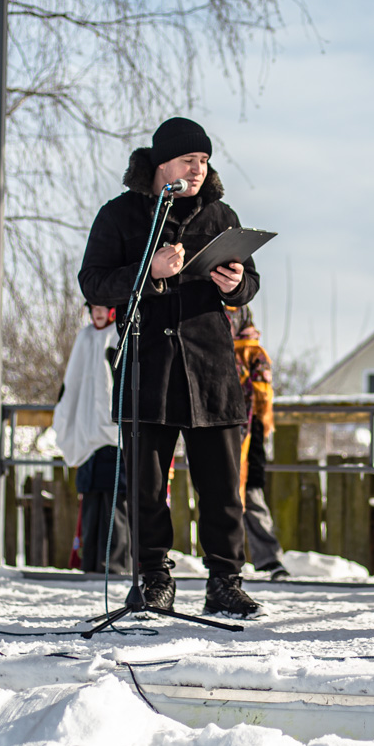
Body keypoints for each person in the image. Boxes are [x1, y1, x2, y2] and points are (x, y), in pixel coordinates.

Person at [78, 117, 263, 617]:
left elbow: (250, 284)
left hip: (210, 369)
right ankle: (152, 577)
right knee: (145, 487)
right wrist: (149, 269)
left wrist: (236, 284)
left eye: (204, 161)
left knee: (223, 486)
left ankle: (225, 580)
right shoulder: (120, 215)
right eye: (189, 160)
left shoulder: (220, 214)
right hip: (148, 368)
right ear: (162, 165)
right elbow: (92, 282)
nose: (199, 169)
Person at [52, 302, 131, 574]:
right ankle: (91, 565)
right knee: (91, 505)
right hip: (88, 438)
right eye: (93, 307)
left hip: (115, 438)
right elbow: (72, 383)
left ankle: (115, 565)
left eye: (103, 307)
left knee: (115, 507)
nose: (98, 313)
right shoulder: (84, 337)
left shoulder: (121, 333)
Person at [228, 306, 288, 578]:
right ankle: (228, 560)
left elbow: (263, 399)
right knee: (225, 500)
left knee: (252, 498)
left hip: (248, 438)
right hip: (221, 431)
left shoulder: (254, 356)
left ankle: (269, 559)